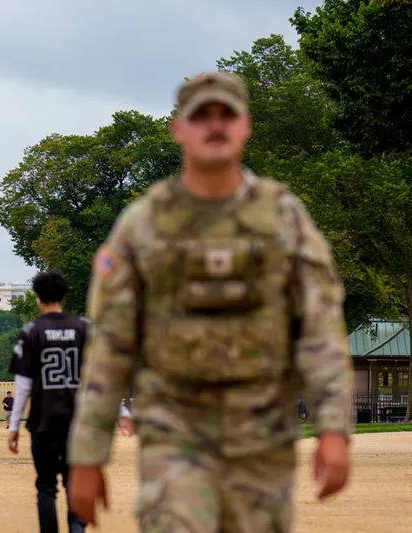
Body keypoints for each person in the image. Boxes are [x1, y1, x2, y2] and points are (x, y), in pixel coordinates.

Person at [67, 71, 354, 531]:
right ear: (179, 128)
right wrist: (87, 454)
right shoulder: (143, 226)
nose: (215, 125)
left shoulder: (283, 219)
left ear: (246, 126)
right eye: (202, 115)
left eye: (227, 115)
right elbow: (110, 347)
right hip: (173, 434)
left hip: (262, 439)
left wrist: (334, 429)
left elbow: (319, 333)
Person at [6, 271, 88, 533]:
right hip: (78, 421)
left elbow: (23, 386)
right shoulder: (84, 328)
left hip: (44, 420)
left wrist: (13, 425)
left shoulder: (31, 331)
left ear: (38, 298)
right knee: (74, 481)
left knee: (45, 486)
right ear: (64, 296)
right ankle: (77, 528)